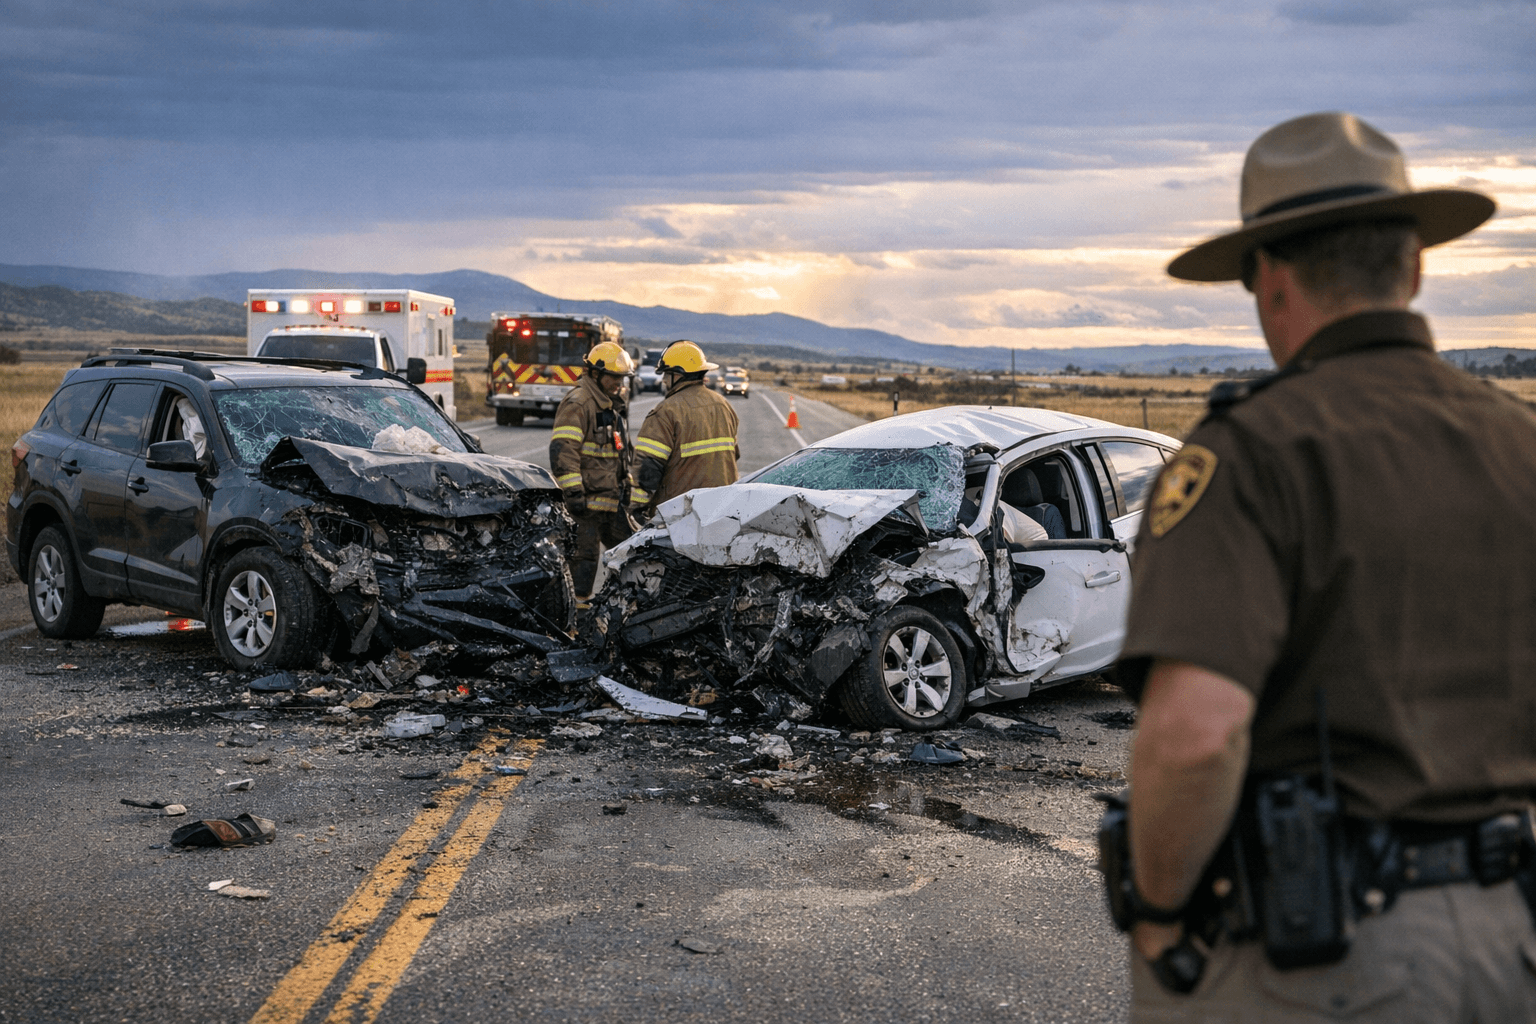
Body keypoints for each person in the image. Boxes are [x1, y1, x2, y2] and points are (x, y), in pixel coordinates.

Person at [1115, 111, 1536, 1020]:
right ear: (1416, 266)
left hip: (1330, 958)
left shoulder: (1253, 453)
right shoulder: (1520, 441)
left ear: (1268, 280)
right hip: (1517, 938)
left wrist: (1157, 914)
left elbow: (1195, 736)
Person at [549, 341, 635, 600]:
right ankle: (575, 621)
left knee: (634, 553)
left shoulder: (610, 407)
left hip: (610, 503)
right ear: (595, 373)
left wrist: (626, 481)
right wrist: (573, 493)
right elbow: (564, 450)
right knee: (583, 562)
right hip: (585, 505)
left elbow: (618, 453)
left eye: (621, 377)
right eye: (613, 377)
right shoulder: (579, 403)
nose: (618, 383)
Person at [629, 340, 740, 516]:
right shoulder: (724, 405)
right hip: (722, 510)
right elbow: (734, 455)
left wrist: (637, 507)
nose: (664, 380)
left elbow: (648, 469)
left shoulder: (665, 412)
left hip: (680, 514)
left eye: (667, 374)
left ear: (679, 375)